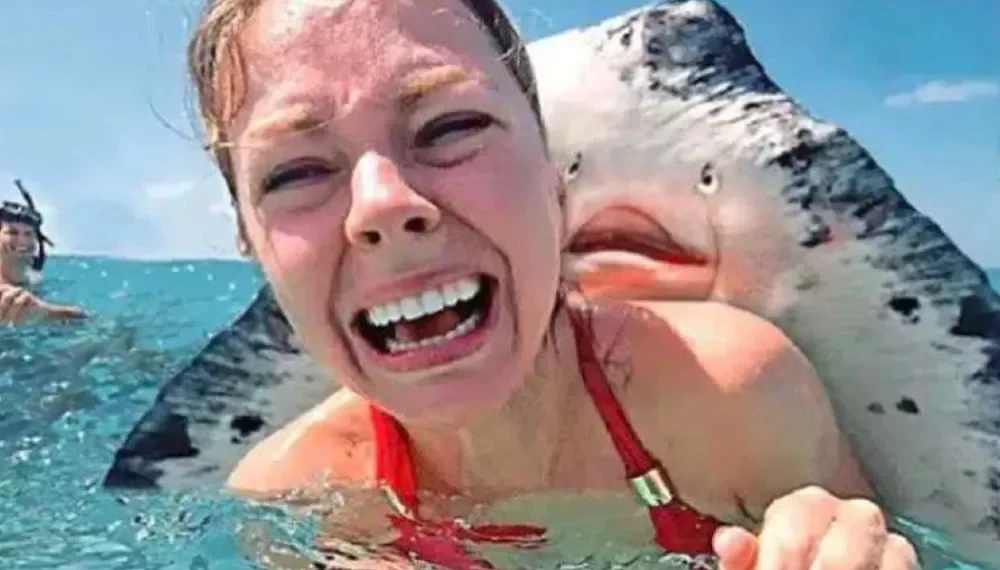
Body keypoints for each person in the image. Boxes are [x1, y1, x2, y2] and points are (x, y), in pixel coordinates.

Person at [186, 0, 920, 568]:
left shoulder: (731, 394)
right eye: (298, 172)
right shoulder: (291, 504)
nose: (383, 205)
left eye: (449, 127)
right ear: (252, 246)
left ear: (552, 178)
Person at [0, 180, 86, 323]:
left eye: (28, 234)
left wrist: (43, 311)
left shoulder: (34, 280)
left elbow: (82, 317)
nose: (22, 241)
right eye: (13, 233)